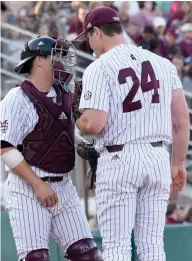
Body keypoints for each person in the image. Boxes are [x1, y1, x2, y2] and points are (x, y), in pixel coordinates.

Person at [74, 6, 189, 261]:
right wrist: (178, 163)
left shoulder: (100, 67)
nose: (89, 44)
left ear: (96, 32)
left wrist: (79, 119)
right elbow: (182, 121)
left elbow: (93, 124)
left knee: (117, 247)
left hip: (120, 158)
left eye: (88, 37)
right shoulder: (162, 63)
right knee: (152, 247)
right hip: (158, 156)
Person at [0, 36, 103, 261]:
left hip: (63, 185)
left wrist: (83, 146)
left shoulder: (62, 94)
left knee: (88, 256)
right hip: (28, 188)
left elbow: (61, 128)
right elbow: (5, 148)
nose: (63, 63)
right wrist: (37, 185)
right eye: (57, 57)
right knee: (36, 258)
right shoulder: (17, 99)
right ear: (38, 60)